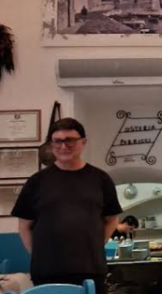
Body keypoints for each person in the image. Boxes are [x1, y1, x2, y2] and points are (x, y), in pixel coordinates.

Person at [12, 118, 122, 294]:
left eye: (70, 140)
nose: (63, 146)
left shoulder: (101, 179)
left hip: (91, 269)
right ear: (51, 144)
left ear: (83, 142)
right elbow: (24, 225)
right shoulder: (36, 181)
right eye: (57, 141)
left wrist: (95, 244)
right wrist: (37, 253)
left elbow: (112, 219)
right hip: (46, 271)